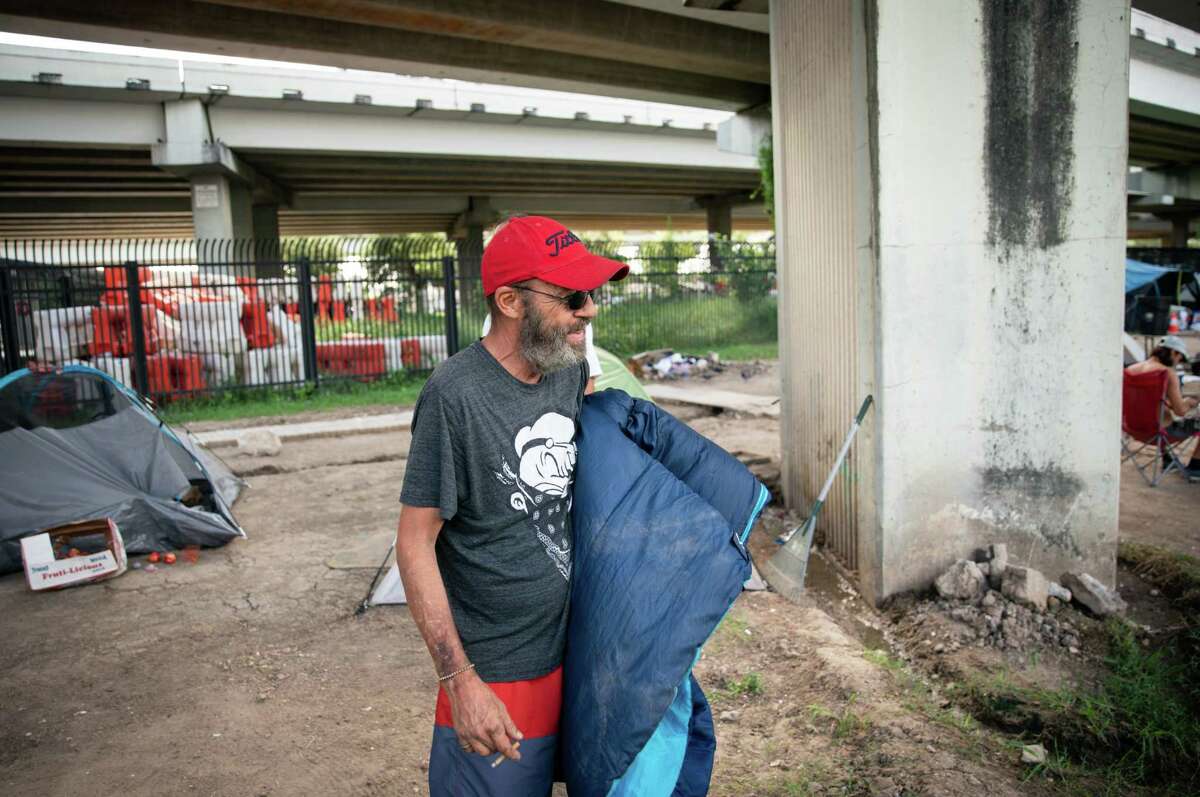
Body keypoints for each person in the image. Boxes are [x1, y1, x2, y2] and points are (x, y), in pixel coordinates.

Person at [395, 215, 627, 796]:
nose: (590, 309)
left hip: (572, 654)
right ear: (509, 300)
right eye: (573, 296)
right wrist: (461, 683)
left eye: (593, 294)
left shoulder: (566, 370)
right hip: (497, 676)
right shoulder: (454, 396)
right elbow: (413, 542)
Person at [1125, 335, 1200, 477]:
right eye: (1179, 358)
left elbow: (1149, 401)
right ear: (1173, 352)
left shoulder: (1131, 370)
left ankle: (1167, 459)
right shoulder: (1167, 374)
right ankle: (1195, 468)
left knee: (1160, 417)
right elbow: (1181, 411)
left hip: (1132, 428)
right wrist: (1191, 401)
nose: (1177, 363)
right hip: (1158, 432)